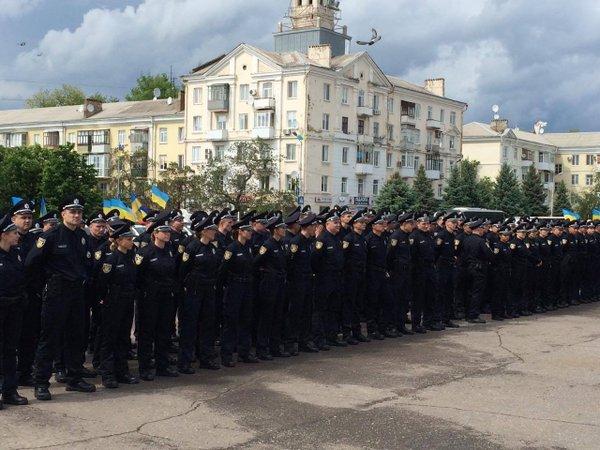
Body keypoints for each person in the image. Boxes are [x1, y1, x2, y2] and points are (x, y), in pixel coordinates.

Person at [25, 195, 96, 401]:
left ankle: (74, 378)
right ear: (63, 213)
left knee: (76, 337)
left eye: (79, 212)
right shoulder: (51, 236)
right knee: (50, 339)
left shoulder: (82, 236)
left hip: (76, 293)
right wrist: (43, 286)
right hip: (56, 293)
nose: (76, 215)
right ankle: (41, 383)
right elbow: (31, 264)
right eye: (72, 211)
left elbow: (87, 264)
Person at [135, 211, 179, 380]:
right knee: (147, 333)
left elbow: (174, 273)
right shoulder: (145, 252)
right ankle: (145, 367)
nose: (167, 234)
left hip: (166, 297)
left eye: (168, 232)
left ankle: (162, 365)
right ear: (155, 234)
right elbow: (137, 277)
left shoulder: (169, 251)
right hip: (149, 298)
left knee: (164, 332)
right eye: (164, 232)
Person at [97, 223, 139, 388]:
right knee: (110, 338)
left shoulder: (131, 257)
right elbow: (102, 282)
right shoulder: (111, 259)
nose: (131, 242)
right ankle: (108, 374)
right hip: (113, 302)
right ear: (119, 241)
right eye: (128, 239)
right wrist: (103, 299)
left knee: (123, 338)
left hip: (127, 301)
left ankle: (122, 372)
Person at [178, 213, 221, 373]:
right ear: (203, 231)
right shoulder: (192, 247)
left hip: (208, 290)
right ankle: (185, 361)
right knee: (190, 326)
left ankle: (206, 357)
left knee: (207, 325)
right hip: (194, 290)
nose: (214, 232)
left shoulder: (212, 248)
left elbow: (217, 268)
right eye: (211, 230)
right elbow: (183, 270)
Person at [219, 215, 259, 367]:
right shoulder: (232, 248)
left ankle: (244, 352)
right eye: (247, 230)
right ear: (240, 232)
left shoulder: (248, 247)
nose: (250, 233)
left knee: (246, 320)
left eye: (250, 230)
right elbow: (223, 270)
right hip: (234, 287)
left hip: (246, 287)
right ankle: (227, 354)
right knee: (231, 322)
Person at [0, 213, 29, 408]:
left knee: (10, 350)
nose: (17, 235)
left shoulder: (16, 253)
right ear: (4, 234)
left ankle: (9, 391)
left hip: (15, 306)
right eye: (13, 232)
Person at [10, 200, 39, 387]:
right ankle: (8, 375)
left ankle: (25, 372)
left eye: (29, 217)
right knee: (10, 338)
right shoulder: (7, 238)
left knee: (29, 336)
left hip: (32, 295)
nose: (27, 221)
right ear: (14, 219)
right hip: (12, 296)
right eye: (23, 217)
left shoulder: (36, 239)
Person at [254, 215, 289, 359]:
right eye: (282, 228)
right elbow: (256, 263)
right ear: (275, 229)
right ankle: (262, 349)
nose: (284, 230)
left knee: (277, 316)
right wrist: (265, 273)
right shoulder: (267, 245)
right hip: (269, 285)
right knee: (266, 317)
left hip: (280, 283)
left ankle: (275, 347)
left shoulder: (281, 244)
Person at [284, 212, 319, 354]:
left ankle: (304, 341)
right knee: (295, 313)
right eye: (313, 227)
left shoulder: (309, 242)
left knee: (307, 312)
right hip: (297, 283)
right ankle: (290, 342)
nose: (315, 229)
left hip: (308, 281)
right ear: (308, 227)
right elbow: (290, 264)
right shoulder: (296, 242)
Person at [311, 212, 345, 349]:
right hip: (324, 279)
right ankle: (319, 339)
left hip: (336, 278)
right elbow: (314, 261)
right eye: (335, 223)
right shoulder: (322, 240)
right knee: (321, 310)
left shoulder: (338, 238)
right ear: (327, 224)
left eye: (338, 223)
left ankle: (332, 336)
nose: (338, 225)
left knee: (334, 309)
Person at [365, 212, 396, 339]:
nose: (383, 226)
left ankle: (382, 327)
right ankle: (372, 330)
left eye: (384, 224)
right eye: (380, 224)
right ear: (373, 226)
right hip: (372, 274)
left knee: (387, 301)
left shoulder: (384, 238)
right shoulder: (368, 239)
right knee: (373, 303)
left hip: (383, 273)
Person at [341, 210, 370, 345]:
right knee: (349, 304)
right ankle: (347, 333)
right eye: (361, 222)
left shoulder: (363, 239)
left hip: (361, 276)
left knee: (358, 304)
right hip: (350, 277)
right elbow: (344, 258)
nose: (364, 224)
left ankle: (357, 332)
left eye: (364, 222)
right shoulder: (348, 239)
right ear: (354, 224)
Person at [386, 212, 415, 335]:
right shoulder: (396, 236)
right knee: (395, 299)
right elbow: (389, 255)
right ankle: (392, 326)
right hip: (397, 272)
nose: (412, 226)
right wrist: (391, 270)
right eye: (410, 223)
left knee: (404, 299)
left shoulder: (407, 236)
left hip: (406, 272)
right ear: (404, 224)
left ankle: (401, 325)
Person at [462, 220, 494, 323]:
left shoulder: (466, 239)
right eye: (482, 229)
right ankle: (473, 315)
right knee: (477, 292)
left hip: (467, 268)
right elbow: (489, 255)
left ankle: (467, 314)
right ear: (478, 229)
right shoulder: (481, 241)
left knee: (468, 292)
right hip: (478, 269)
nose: (483, 231)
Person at [410, 215, 437, 333]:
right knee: (418, 299)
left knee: (430, 296)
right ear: (417, 224)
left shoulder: (430, 236)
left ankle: (428, 322)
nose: (426, 226)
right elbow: (412, 256)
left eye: (427, 224)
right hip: (419, 271)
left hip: (430, 269)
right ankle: (416, 324)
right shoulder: (414, 236)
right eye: (423, 224)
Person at [435, 215, 460, 329]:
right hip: (442, 268)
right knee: (441, 294)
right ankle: (439, 318)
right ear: (447, 224)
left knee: (450, 293)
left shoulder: (452, 235)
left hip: (450, 267)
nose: (455, 224)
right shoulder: (441, 235)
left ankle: (447, 318)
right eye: (453, 223)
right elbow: (436, 252)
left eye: (456, 223)